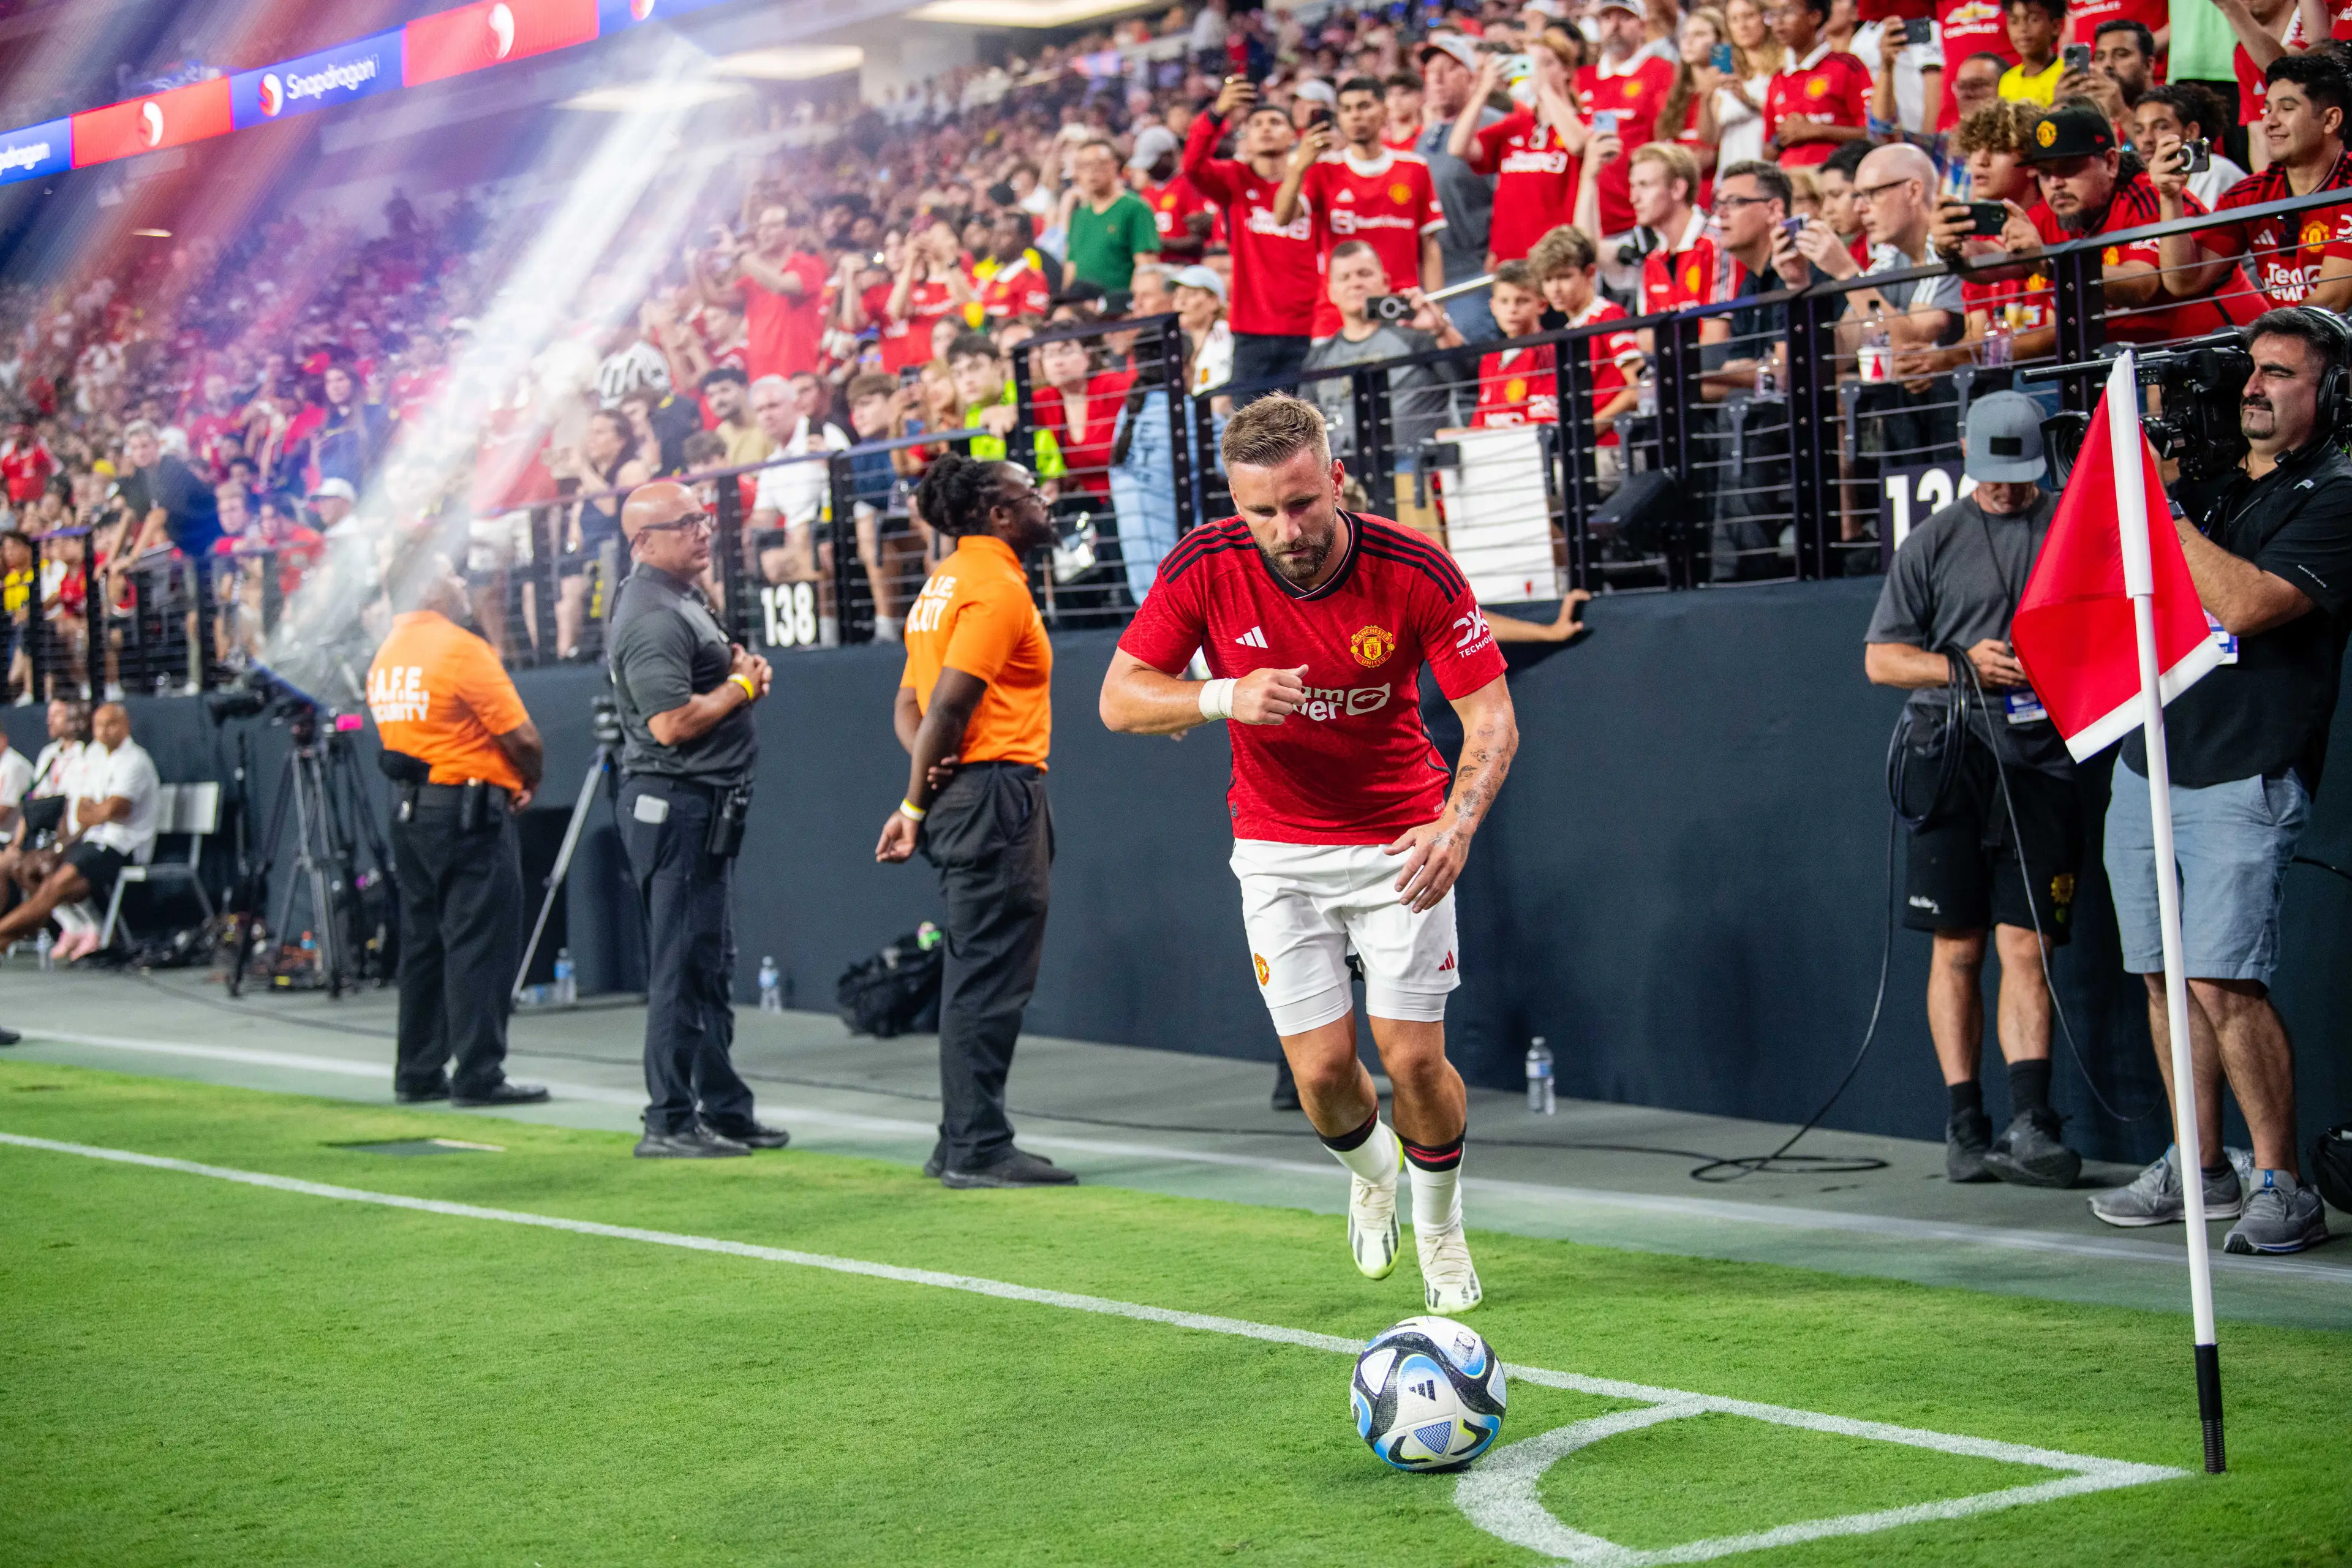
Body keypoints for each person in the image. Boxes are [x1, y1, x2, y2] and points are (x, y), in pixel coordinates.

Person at [1099, 393, 1520, 1313]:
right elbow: (1121, 699)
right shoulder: (1205, 565)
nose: (1286, 528)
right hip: (1278, 852)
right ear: (1234, 503)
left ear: (1335, 479)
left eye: (1301, 503)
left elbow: (1491, 713)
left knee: (1412, 1063)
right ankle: (1373, 1175)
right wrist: (1221, 697)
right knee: (1325, 1077)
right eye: (1262, 512)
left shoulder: (1415, 567)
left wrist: (1456, 823)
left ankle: (1443, 1232)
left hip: (1401, 840)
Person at [2090, 307, 2352, 1256]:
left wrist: (2158, 508)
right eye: (2250, 371)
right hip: (2150, 754)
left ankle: (2281, 1184)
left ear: (2332, 394)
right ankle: (2199, 1165)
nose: (2253, 387)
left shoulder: (2336, 493)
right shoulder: (2201, 482)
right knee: (2162, 977)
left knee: (2223, 980)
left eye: (2279, 373)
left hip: (2249, 764)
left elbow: (2246, 602)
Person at [1863, 393, 2081, 1187]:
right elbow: (1882, 660)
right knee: (1957, 946)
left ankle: (2032, 1121)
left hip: (2044, 760)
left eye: (2018, 477)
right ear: (1963, 452)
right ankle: (1965, 1125)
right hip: (1950, 755)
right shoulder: (1933, 540)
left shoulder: (2068, 526)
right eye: (1992, 476)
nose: (2005, 490)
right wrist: (1962, 664)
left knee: (2030, 942)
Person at [873, 454, 1071, 1189]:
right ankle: (977, 1146)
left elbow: (909, 706)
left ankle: (961, 1136)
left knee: (973, 970)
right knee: (990, 978)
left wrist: (929, 772)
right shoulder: (994, 587)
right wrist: (915, 800)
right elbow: (947, 709)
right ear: (997, 513)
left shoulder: (943, 582)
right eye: (1030, 494)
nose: (1043, 502)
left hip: (975, 787)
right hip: (993, 794)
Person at [607, 479, 787, 1159]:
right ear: (644, 541)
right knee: (680, 967)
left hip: (703, 805)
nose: (703, 529)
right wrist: (740, 687)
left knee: (708, 963)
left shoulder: (679, 597)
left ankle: (723, 1108)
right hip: (675, 804)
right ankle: (668, 1120)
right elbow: (671, 722)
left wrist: (737, 674)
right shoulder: (653, 613)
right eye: (686, 522)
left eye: (704, 517)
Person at [366, 538, 549, 1110]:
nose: (464, 585)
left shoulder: (387, 654)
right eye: (452, 575)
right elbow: (522, 737)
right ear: (427, 586)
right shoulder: (461, 650)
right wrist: (527, 780)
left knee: (422, 945)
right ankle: (478, 1073)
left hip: (413, 810)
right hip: (468, 814)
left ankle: (417, 1068)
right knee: (480, 943)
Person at [1973, 102, 2251, 350]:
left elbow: (2141, 286)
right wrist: (1954, 249)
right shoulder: (2058, 209)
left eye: (2069, 169)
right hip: (2126, 359)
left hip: (2211, 349)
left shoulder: (2149, 198)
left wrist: (2049, 263)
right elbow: (1997, 263)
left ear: (2110, 162)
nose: (2056, 183)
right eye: (2045, 173)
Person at [2155, 54, 2352, 312]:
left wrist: (2265, 333)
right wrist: (2170, 198)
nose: (2269, 122)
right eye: (2268, 109)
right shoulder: (2251, 195)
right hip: (2285, 340)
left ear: (2330, 120)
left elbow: (2331, 300)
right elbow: (2184, 281)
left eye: (2287, 109)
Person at [1273, 76, 1446, 341]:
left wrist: (1437, 308)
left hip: (1399, 306)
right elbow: (1282, 218)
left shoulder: (1414, 168)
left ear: (1384, 111)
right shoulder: (1323, 170)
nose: (1355, 116)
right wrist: (1298, 168)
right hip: (1338, 313)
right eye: (1347, 109)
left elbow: (1430, 247)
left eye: (1364, 106)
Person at [1299, 241, 1464, 506]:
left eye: (1364, 274)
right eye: (1345, 277)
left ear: (1385, 282)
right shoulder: (1318, 360)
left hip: (1420, 480)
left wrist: (1440, 330)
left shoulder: (1418, 338)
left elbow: (1469, 378)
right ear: (1331, 291)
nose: (1356, 283)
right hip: (1347, 489)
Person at [1185, 78, 1321, 390]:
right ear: (1245, 138)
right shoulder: (1234, 179)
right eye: (1256, 123)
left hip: (1309, 326)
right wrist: (1217, 114)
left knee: (1309, 432)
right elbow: (1192, 165)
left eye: (1275, 122)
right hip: (1251, 328)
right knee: (1250, 435)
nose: (1266, 128)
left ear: (1293, 135)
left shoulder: (1314, 178)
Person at [0, 702, 156, 960]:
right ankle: (80, 927)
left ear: (126, 726)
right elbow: (81, 810)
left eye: (111, 724)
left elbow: (113, 811)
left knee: (54, 888)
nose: (104, 731)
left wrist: (97, 810)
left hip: (122, 847)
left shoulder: (135, 761)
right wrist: (93, 813)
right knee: (34, 870)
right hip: (91, 841)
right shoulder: (96, 757)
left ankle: (3, 935)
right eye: (98, 726)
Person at [1452, 38, 1592, 265]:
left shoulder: (1584, 121)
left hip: (1558, 257)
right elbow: (1458, 147)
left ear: (1567, 71)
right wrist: (1482, 91)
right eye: (1531, 64)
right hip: (1510, 257)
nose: (1538, 72)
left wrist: (1545, 90)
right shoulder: (1516, 124)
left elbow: (1578, 144)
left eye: (1546, 64)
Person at [1414, 35, 1506, 341]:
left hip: (1477, 277)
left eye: (1450, 68)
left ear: (1472, 77)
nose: (1437, 79)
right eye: (1431, 71)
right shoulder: (1425, 139)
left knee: (1474, 361)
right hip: (1436, 279)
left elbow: (1509, 200)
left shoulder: (1492, 125)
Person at [1579, 0, 1683, 260]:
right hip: (1588, 216)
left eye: (1624, 18)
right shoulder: (1582, 78)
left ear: (1643, 25)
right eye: (1606, 19)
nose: (1614, 26)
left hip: (1637, 219)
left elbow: (1665, 143)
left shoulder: (1660, 72)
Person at [707, 203, 827, 383]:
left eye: (772, 226)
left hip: (797, 375)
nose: (763, 233)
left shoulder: (808, 264)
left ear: (793, 232)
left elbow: (780, 285)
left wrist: (739, 255)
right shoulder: (755, 276)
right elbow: (715, 298)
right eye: (761, 227)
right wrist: (695, 265)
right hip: (761, 377)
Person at [1766, 0, 1874, 167]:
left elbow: (1874, 134)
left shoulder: (1847, 67)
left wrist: (1816, 130)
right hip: (1791, 181)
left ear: (1815, 17)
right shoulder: (1777, 79)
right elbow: (1767, 150)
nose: (1778, 21)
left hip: (1838, 177)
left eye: (1788, 12)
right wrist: (1781, 140)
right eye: (1772, 14)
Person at [1061, 139, 1163, 292]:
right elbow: (1071, 267)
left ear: (1114, 166)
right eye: (1084, 166)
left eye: (1099, 164)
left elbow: (1146, 267)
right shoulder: (1079, 216)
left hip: (1117, 306)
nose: (1092, 172)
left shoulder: (1135, 208)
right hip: (1081, 305)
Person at [2134, 83, 2248, 206]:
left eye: (2162, 127)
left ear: (2191, 132)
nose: (2146, 139)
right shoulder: (2137, 186)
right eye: (2139, 131)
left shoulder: (2215, 172)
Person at [1995, 0, 2064, 105]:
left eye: (2034, 20)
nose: (2022, 29)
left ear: (2056, 27)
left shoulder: (2065, 75)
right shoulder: (2007, 81)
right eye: (2014, 21)